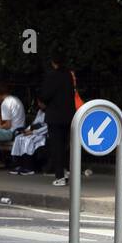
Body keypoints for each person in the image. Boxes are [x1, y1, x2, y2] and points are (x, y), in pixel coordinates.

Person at [38, 55, 76, 185]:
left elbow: (45, 95)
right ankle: (68, 170)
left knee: (56, 146)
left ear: (53, 63)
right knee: (66, 144)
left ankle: (60, 176)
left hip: (55, 116)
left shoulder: (51, 76)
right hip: (69, 114)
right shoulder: (69, 75)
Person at [0, 83, 25, 169]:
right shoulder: (15, 99)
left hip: (11, 132)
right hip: (19, 130)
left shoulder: (5, 103)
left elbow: (7, 125)